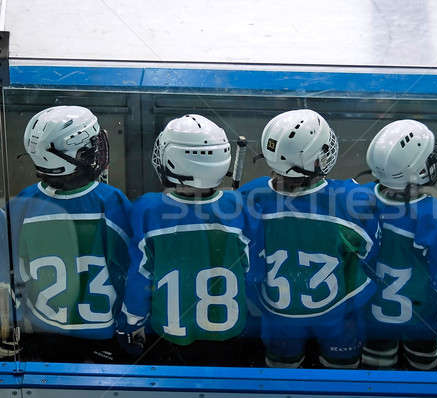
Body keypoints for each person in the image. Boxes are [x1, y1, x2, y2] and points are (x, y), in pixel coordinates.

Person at [240, 109, 379, 369]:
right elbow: (369, 258)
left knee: (282, 372)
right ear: (316, 161)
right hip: (338, 313)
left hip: (277, 314)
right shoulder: (353, 200)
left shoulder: (250, 194)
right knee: (342, 372)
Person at [119, 114, 260, 366]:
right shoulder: (240, 206)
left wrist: (132, 322)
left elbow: (139, 277)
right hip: (231, 335)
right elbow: (253, 272)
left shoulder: (148, 209)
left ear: (172, 161)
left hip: (170, 337)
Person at [12, 105, 130, 362]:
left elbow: (16, 273)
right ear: (79, 155)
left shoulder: (23, 202)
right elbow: (128, 269)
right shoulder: (110, 201)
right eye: (91, 145)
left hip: (43, 334)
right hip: (100, 335)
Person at [360, 119, 437, 370]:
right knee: (423, 372)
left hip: (371, 314)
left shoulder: (354, 198)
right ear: (417, 170)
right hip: (421, 319)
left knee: (376, 378)